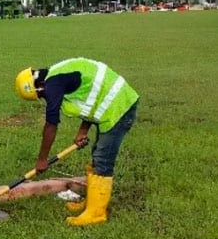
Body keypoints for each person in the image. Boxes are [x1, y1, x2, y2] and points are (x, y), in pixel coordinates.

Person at [15, 58, 139, 226]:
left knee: (103, 158)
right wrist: (82, 131)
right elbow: (92, 97)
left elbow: (51, 124)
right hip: (111, 104)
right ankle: (92, 203)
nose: (44, 98)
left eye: (40, 95)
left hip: (120, 107)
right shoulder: (56, 75)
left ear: (38, 87)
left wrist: (42, 159)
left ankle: (96, 213)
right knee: (98, 155)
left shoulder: (53, 85)